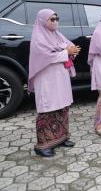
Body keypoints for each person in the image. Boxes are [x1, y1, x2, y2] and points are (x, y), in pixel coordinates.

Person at [29, 9, 80, 157]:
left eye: (56, 18)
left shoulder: (57, 34)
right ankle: (43, 145)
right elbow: (46, 57)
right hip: (46, 79)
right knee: (48, 108)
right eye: (51, 19)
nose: (55, 21)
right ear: (43, 21)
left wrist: (73, 51)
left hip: (60, 77)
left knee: (62, 106)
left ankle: (61, 137)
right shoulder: (38, 38)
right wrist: (66, 52)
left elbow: (68, 46)